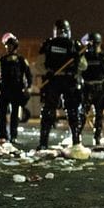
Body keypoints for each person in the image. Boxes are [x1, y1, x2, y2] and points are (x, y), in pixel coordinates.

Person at [34, 19, 87, 150]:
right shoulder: (72, 45)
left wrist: (77, 58)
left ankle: (48, 142)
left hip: (60, 81)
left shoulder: (57, 44)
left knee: (67, 111)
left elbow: (39, 64)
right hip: (60, 81)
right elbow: (83, 66)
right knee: (55, 111)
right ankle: (48, 142)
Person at [0, 32, 32, 144]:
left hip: (16, 89)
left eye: (10, 46)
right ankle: (3, 134)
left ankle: (13, 136)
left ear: (15, 47)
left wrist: (28, 87)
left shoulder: (21, 60)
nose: (8, 48)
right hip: (4, 89)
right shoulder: (2, 59)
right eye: (7, 46)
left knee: (14, 113)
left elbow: (28, 74)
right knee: (1, 111)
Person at [80, 32, 104, 145]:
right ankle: (77, 136)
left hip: (100, 88)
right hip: (86, 87)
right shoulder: (83, 56)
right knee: (82, 114)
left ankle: (97, 137)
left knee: (99, 115)